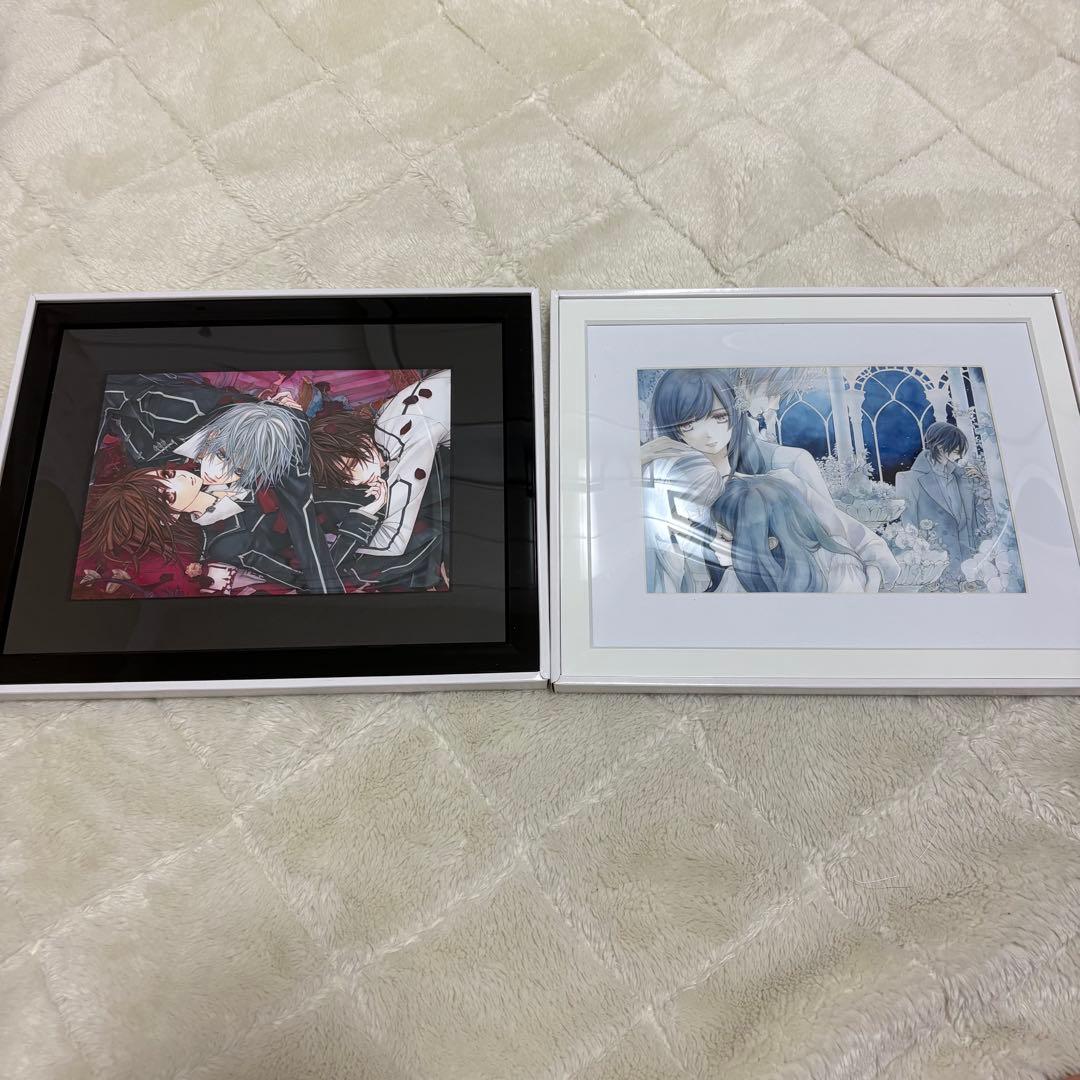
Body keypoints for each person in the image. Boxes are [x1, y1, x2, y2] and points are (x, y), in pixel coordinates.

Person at [641, 369, 833, 592]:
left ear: (734, 411)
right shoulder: (668, 482)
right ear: (673, 427)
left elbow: (833, 539)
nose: (708, 433)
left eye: (719, 417)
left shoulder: (784, 473)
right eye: (689, 424)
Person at [308, 369, 450, 590]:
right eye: (346, 480)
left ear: (363, 439)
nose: (357, 481)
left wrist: (366, 513)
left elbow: (394, 542)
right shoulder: (385, 428)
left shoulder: (400, 437)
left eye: (353, 465)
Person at [710, 472, 900, 593]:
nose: (712, 543)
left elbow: (846, 622)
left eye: (725, 538)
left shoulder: (834, 558)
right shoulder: (735, 576)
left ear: (770, 542)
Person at [894, 422, 977, 583]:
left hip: (966, 563)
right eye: (956, 446)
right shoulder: (908, 479)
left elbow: (969, 521)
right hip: (934, 564)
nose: (960, 452)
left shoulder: (962, 477)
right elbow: (909, 527)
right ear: (939, 445)